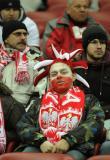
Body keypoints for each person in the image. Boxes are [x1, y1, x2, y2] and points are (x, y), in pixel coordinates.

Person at [16, 45, 105, 160]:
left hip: (76, 147)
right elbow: (22, 125)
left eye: (63, 72)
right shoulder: (39, 102)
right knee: (26, 156)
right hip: (40, 146)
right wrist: (41, 141)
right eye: (54, 74)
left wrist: (68, 140)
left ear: (73, 77)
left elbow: (96, 123)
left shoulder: (89, 100)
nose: (58, 76)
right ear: (49, 80)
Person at [77, 24, 110, 155]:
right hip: (81, 122)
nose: (99, 46)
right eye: (94, 42)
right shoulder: (75, 69)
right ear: (85, 46)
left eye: (102, 42)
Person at [0, 20, 46, 107]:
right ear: (6, 39)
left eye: (25, 34)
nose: (23, 37)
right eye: (17, 34)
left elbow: (40, 94)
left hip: (23, 113)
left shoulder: (36, 63)